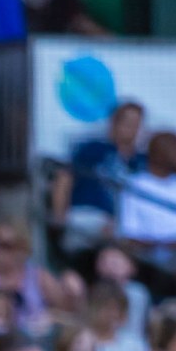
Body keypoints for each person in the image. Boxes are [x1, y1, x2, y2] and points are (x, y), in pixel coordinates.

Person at [49, 100, 143, 254]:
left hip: (128, 225)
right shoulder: (92, 149)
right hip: (88, 216)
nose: (132, 128)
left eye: (137, 124)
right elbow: (64, 178)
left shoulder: (141, 160)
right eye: (128, 122)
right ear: (114, 123)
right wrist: (59, 215)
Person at [116, 131, 176, 271]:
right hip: (146, 257)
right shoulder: (136, 185)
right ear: (156, 153)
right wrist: (161, 245)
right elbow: (128, 233)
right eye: (173, 149)